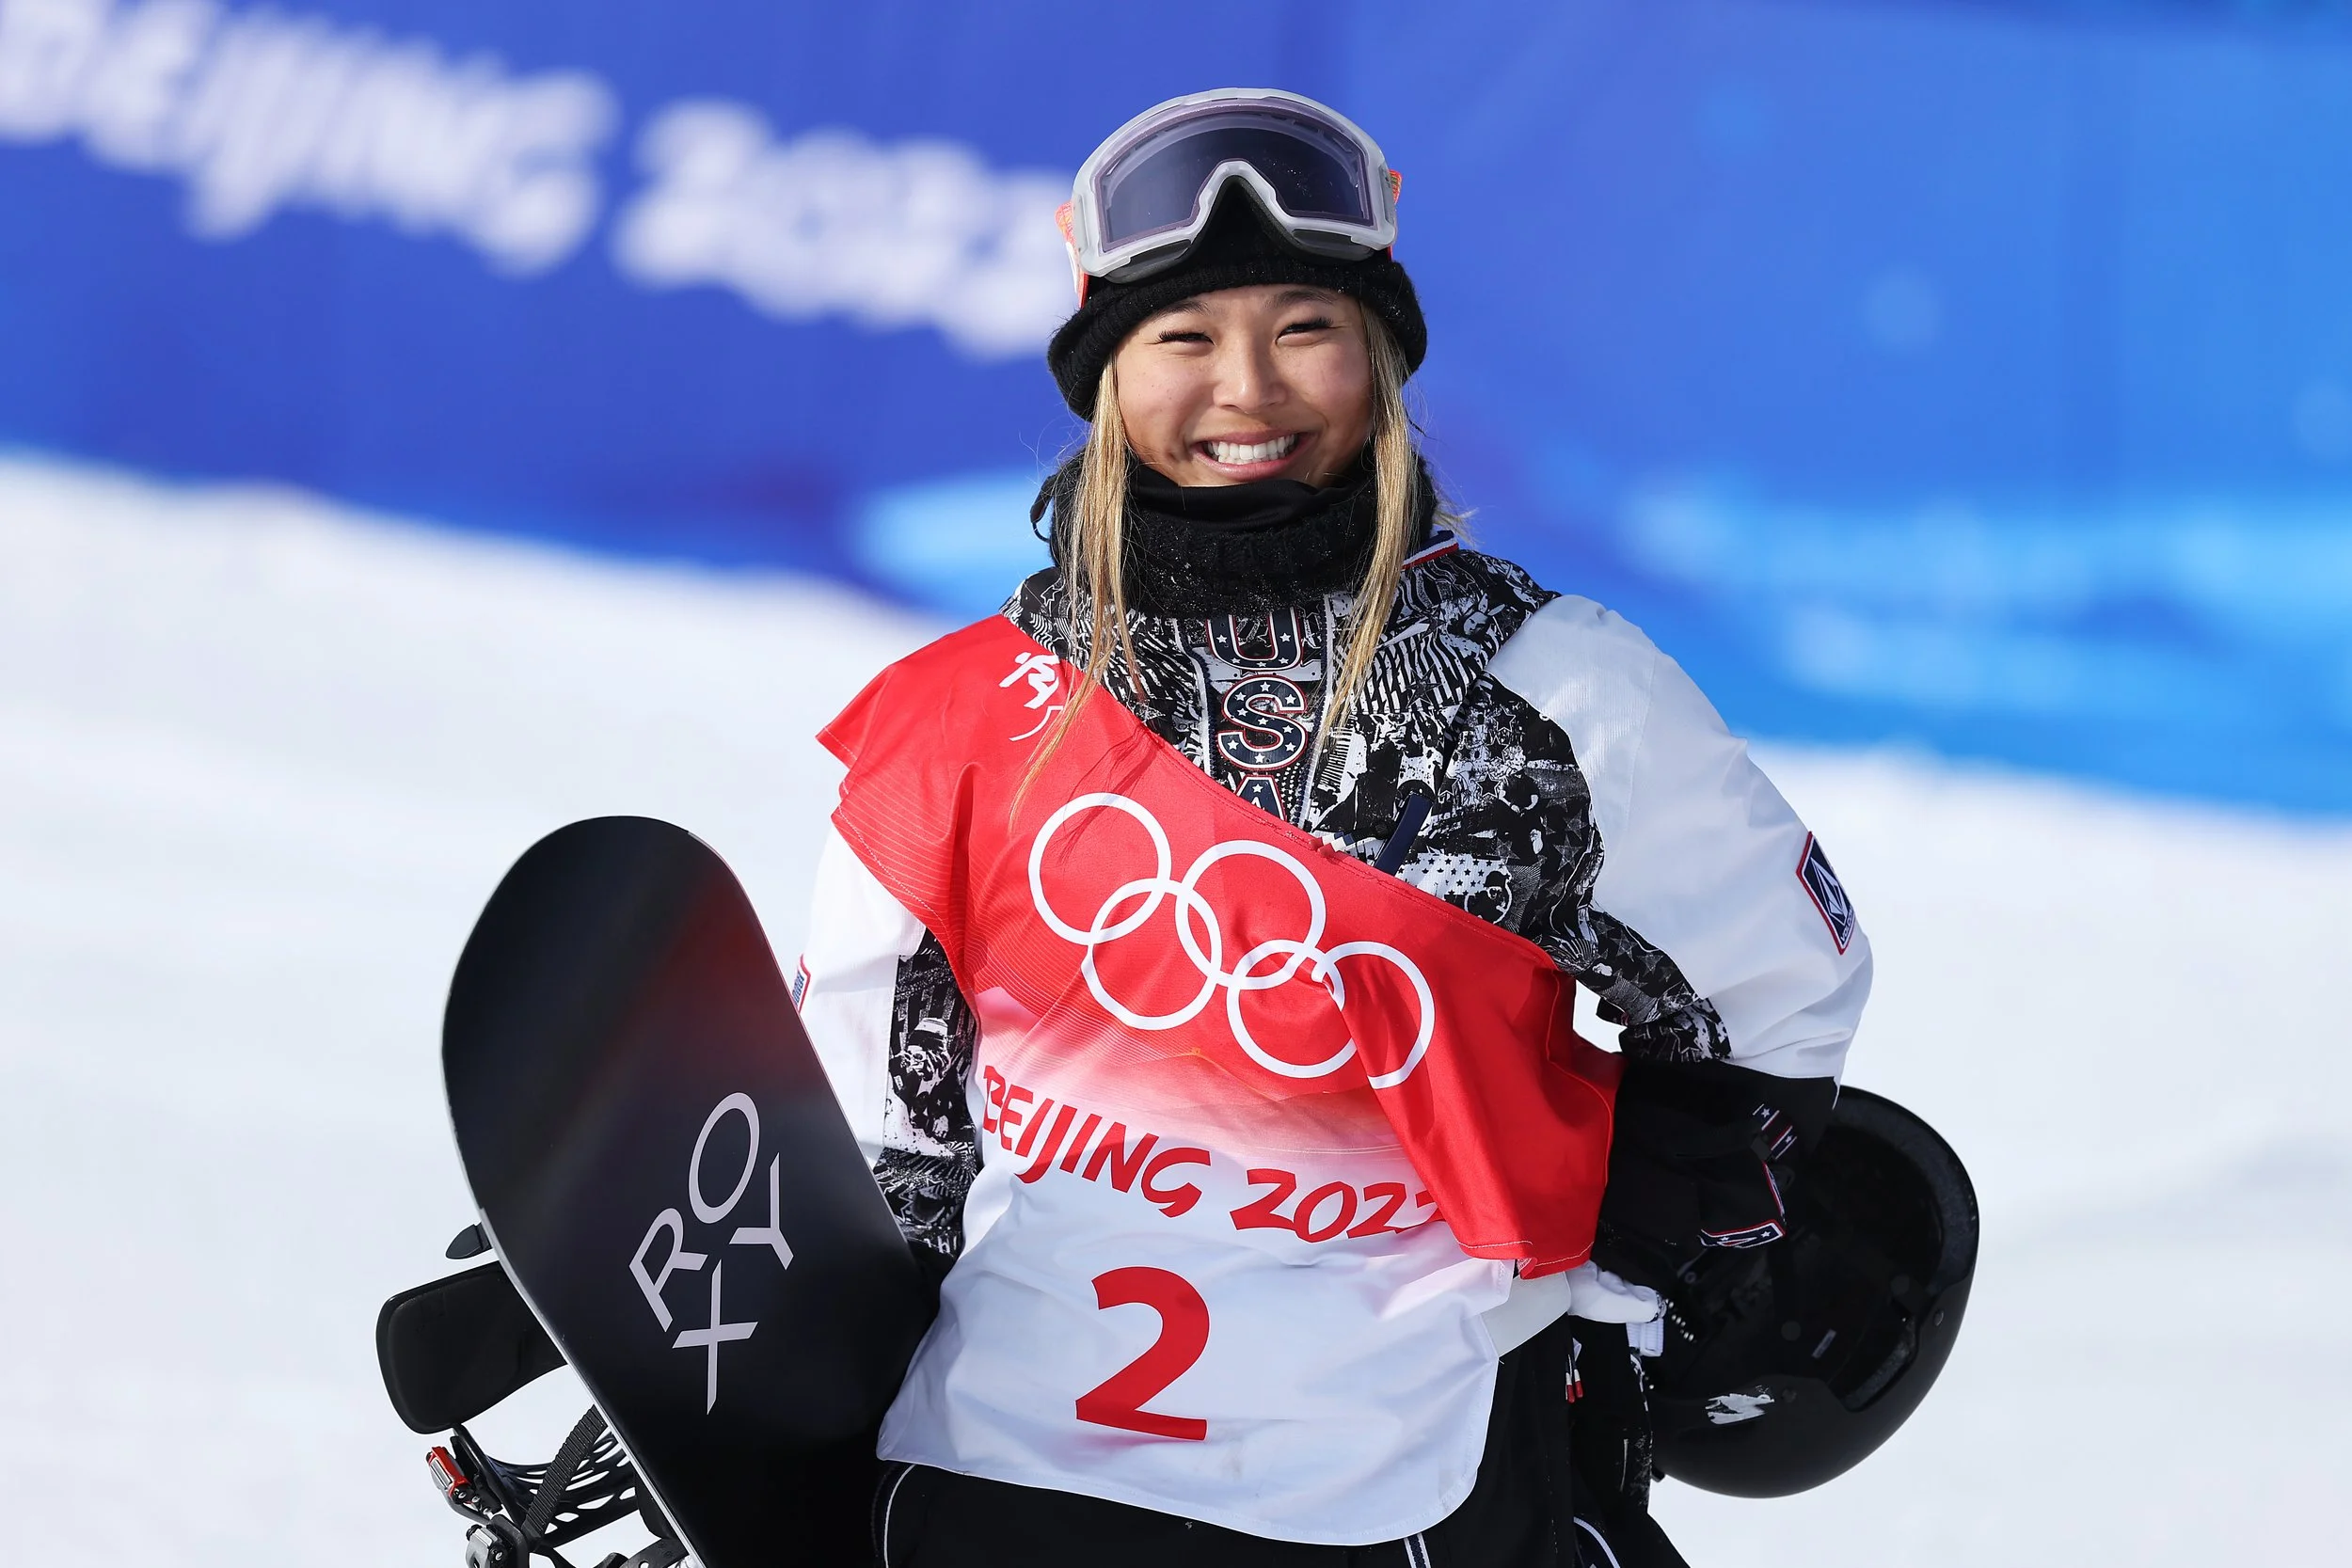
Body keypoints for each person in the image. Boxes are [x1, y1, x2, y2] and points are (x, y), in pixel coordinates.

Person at [796, 88, 1869, 1568]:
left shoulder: (1552, 695)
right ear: (1108, 379)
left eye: (1305, 327)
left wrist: (1648, 1223)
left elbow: (1778, 993)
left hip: (1403, 1483)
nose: (1246, 388)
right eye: (1181, 339)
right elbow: (880, 1141)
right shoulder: (969, 713)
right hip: (999, 1482)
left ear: (1379, 360)